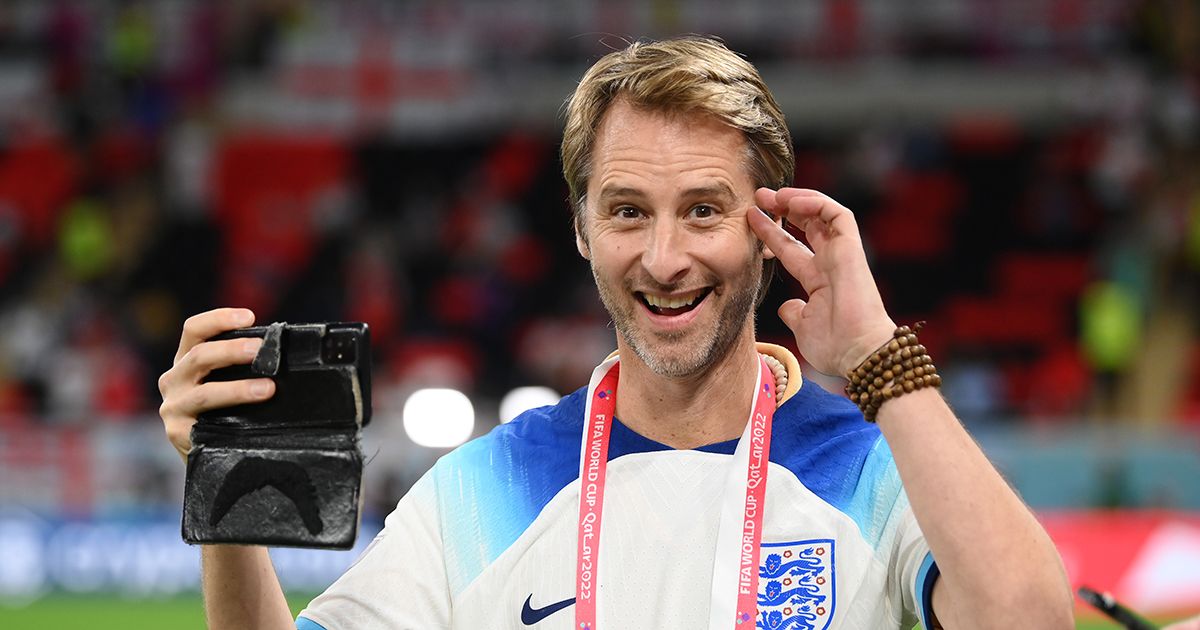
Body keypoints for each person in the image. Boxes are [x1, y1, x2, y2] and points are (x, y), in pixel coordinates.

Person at [158, 37, 1074, 629]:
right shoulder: (485, 487)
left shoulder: (869, 469)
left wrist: (880, 361)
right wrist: (234, 502)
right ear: (583, 229)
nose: (665, 257)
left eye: (704, 210)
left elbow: (1031, 619)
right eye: (629, 211)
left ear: (771, 226)